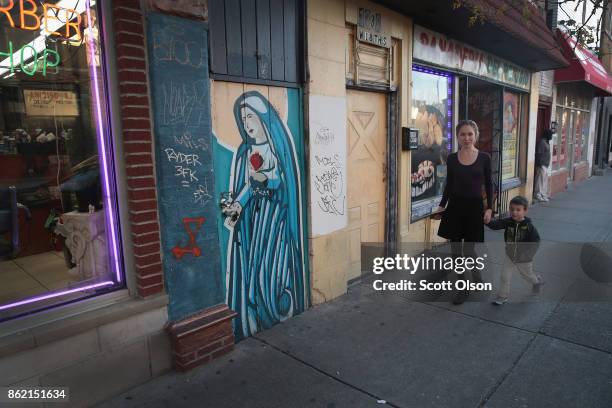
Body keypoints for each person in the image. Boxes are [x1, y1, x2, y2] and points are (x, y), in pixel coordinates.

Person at [224, 91, 305, 339]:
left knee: (271, 273)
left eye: (251, 116)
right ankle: (252, 314)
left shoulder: (278, 148)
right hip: (254, 225)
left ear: (263, 118)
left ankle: (277, 308)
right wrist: (236, 205)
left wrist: (264, 182)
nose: (247, 123)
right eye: (242, 117)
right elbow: (242, 187)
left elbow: (283, 183)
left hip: (275, 223)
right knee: (253, 271)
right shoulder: (242, 153)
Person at [434, 120, 493, 304]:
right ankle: (463, 287)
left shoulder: (484, 158)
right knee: (455, 251)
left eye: (470, 134)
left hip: (474, 209)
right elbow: (449, 185)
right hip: (455, 209)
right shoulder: (451, 158)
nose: (466, 138)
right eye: (462, 134)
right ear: (458, 136)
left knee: (468, 250)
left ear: (475, 136)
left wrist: (490, 208)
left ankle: (476, 277)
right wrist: (442, 205)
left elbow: (489, 185)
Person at [486, 196, 543, 305]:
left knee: (527, 275)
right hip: (510, 255)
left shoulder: (529, 227)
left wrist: (527, 255)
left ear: (525, 211)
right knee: (504, 276)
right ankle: (503, 296)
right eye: (512, 209)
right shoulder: (508, 222)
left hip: (524, 258)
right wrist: (487, 221)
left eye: (518, 210)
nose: (514, 212)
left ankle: (536, 282)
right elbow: (495, 225)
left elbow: (536, 242)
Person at [534, 129, 552, 202]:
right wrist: (540, 164)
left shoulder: (546, 142)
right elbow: (539, 153)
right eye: (550, 134)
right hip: (542, 164)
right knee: (539, 180)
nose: (551, 136)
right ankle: (538, 194)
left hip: (545, 164)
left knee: (544, 180)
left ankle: (543, 194)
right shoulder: (542, 142)